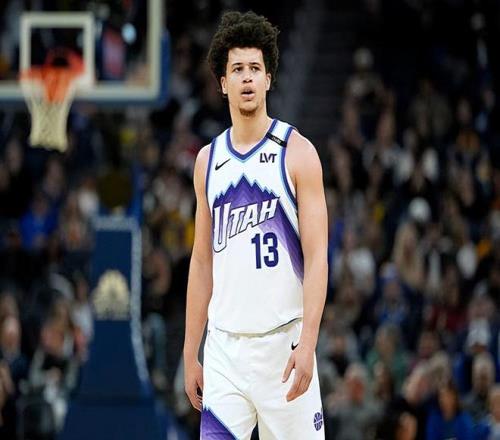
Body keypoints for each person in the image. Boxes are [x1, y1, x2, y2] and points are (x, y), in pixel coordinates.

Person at [183, 11, 328, 439]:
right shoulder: (207, 161)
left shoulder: (297, 152)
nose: (246, 77)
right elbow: (201, 262)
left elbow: (318, 256)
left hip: (284, 346)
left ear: (268, 79)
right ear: (222, 83)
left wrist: (309, 341)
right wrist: (191, 351)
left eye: (254, 68)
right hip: (225, 351)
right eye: (237, 69)